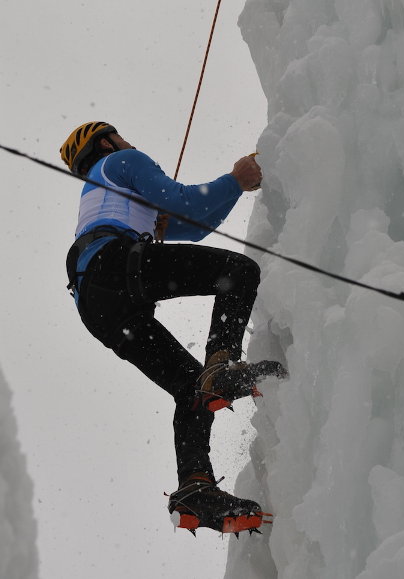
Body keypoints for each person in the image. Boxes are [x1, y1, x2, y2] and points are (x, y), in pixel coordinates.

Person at [62, 121, 286, 535]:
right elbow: (180, 199)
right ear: (107, 142)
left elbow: (194, 225)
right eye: (122, 136)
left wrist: (234, 188)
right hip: (114, 264)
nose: (130, 140)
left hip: (96, 303)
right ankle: (222, 361)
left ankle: (195, 487)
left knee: (191, 389)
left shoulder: (102, 193)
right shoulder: (123, 161)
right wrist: (237, 177)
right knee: (238, 271)